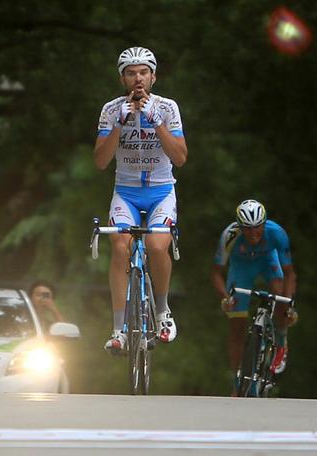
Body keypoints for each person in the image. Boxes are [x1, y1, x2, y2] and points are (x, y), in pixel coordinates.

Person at [93, 46, 188, 354]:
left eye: (144, 72)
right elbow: (100, 161)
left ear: (153, 76)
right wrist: (119, 125)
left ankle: (162, 311)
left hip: (161, 190)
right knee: (120, 247)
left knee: (156, 245)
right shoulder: (111, 109)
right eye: (131, 73)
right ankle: (118, 330)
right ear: (122, 79)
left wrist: (157, 122)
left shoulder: (168, 107)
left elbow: (181, 157)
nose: (138, 78)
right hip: (127, 191)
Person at [210, 199, 298, 384]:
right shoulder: (229, 235)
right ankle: (236, 381)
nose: (253, 233)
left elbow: (289, 273)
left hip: (268, 262)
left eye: (258, 227)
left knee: (279, 291)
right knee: (237, 327)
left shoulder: (277, 233)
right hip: (241, 268)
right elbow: (216, 273)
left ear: (264, 224)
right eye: (247, 228)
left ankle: (280, 340)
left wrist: (289, 303)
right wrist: (226, 298)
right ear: (239, 227)